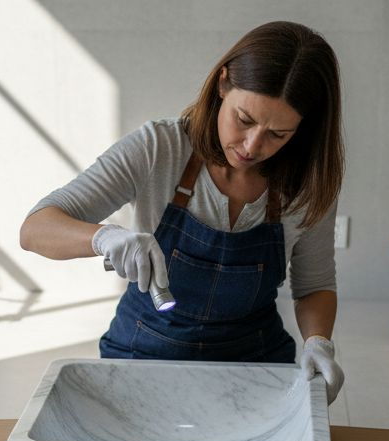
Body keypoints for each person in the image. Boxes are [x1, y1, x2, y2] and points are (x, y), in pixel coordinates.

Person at [19, 21, 345, 403]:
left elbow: (314, 286)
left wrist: (319, 343)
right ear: (223, 84)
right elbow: (35, 228)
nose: (252, 146)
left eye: (278, 134)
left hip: (252, 362)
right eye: (244, 119)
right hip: (142, 354)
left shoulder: (308, 181)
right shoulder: (159, 147)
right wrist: (102, 237)